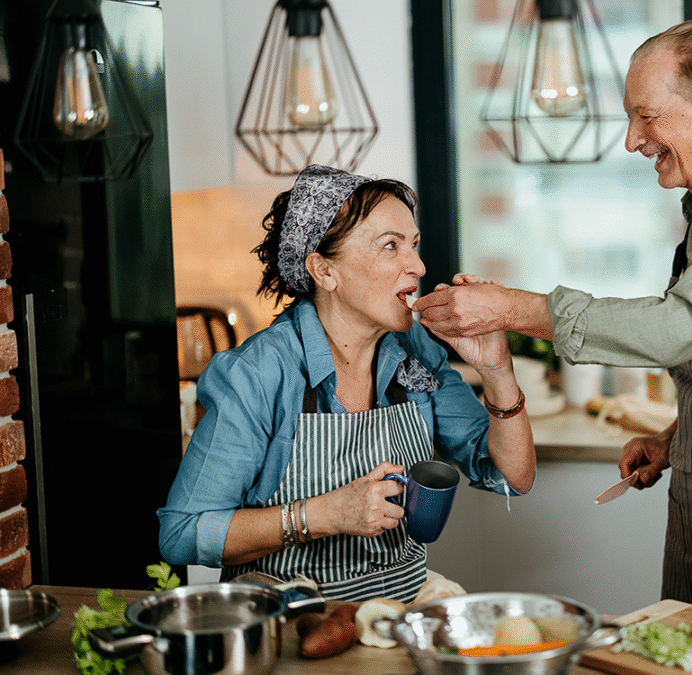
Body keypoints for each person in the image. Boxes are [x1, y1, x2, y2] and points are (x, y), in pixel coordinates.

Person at [414, 21, 692, 627]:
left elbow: (677, 326)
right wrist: (675, 439)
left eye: (646, 117)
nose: (632, 141)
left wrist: (509, 307)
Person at [158, 165, 536, 602]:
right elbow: (182, 533)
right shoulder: (258, 373)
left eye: (413, 244)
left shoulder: (414, 349)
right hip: (294, 631)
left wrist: (497, 367)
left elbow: (511, 475)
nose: (417, 265)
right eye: (390, 246)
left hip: (396, 618)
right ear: (324, 272)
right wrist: (324, 514)